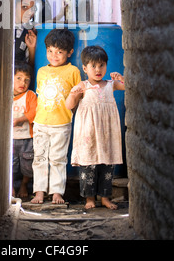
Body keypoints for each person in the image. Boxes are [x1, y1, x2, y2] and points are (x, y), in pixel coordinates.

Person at [65, 45, 125, 210]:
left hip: (107, 134)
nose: (98, 69)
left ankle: (105, 198)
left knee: (107, 166)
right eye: (93, 66)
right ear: (85, 68)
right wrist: (73, 93)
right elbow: (68, 105)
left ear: (106, 65)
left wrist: (121, 78)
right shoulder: (83, 86)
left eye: (101, 65)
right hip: (88, 134)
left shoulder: (111, 84)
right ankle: (89, 199)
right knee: (88, 167)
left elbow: (128, 85)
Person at [31, 29, 81, 204]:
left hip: (61, 124)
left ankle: (57, 193)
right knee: (39, 158)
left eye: (59, 52)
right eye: (50, 51)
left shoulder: (73, 71)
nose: (54, 55)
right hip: (40, 122)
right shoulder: (42, 71)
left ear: (70, 53)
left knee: (58, 159)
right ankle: (39, 192)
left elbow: (78, 96)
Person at [13, 62, 37, 199]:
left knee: (28, 165)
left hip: (27, 138)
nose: (23, 82)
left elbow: (35, 112)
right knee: (11, 165)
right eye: (19, 78)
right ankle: (10, 187)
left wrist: (21, 119)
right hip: (10, 139)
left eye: (27, 80)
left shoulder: (30, 96)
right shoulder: (4, 94)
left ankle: (24, 184)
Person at [14, 0, 37, 67]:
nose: (30, 12)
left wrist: (32, 48)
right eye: (24, 7)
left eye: (32, 9)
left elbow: (29, 67)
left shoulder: (28, 34)